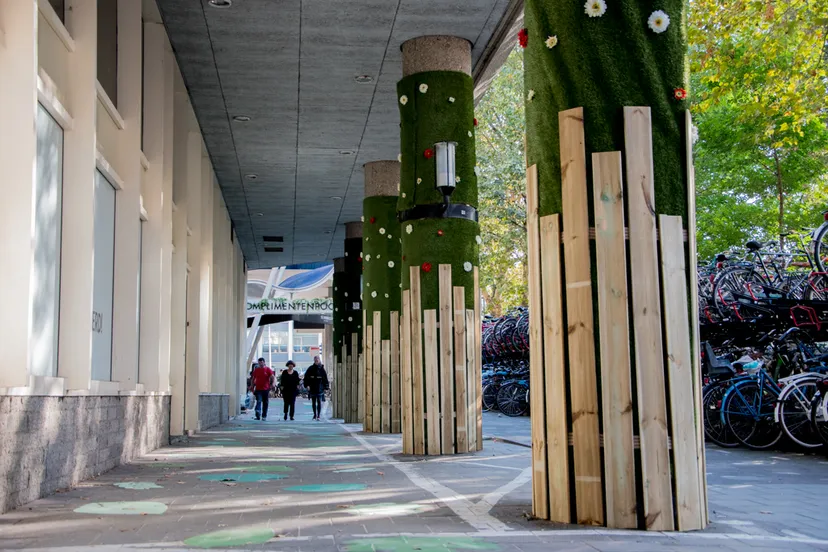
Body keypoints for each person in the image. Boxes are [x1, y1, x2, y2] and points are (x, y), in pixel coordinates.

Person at [304, 356, 329, 421]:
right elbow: (306, 377)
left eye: (317, 360)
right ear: (314, 360)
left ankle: (318, 415)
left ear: (319, 360)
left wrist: (326, 386)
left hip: (320, 388)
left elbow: (325, 378)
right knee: (313, 402)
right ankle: (315, 414)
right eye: (315, 360)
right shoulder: (310, 368)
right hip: (312, 387)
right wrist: (307, 385)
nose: (316, 361)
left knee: (319, 402)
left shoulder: (322, 369)